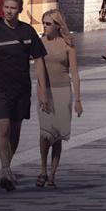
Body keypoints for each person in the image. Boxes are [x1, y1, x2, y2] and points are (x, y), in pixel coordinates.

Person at [0, 0, 52, 191]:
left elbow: (40, 61)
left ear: (20, 10)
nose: (9, 11)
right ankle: (5, 168)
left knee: (15, 131)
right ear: (2, 8)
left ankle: (6, 166)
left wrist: (42, 90)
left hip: (22, 88)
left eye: (12, 8)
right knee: (4, 128)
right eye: (6, 7)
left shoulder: (27, 31)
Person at [36, 10, 82, 189]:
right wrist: (41, 92)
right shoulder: (39, 44)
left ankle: (52, 175)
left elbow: (75, 73)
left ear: (57, 25)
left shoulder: (67, 44)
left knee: (57, 135)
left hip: (63, 92)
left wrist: (78, 99)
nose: (45, 27)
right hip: (44, 91)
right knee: (44, 133)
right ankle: (42, 168)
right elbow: (37, 71)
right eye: (43, 23)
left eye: (48, 24)